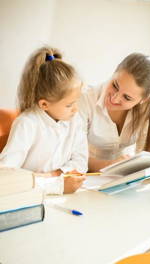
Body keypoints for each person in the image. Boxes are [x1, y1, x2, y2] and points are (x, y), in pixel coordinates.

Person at [0, 46, 88, 194]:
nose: (76, 109)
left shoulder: (75, 120)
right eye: (69, 105)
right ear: (44, 105)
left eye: (76, 101)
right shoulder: (27, 124)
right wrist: (56, 184)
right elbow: (6, 177)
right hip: (28, 197)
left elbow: (81, 162)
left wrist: (54, 175)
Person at [79, 52, 150, 172]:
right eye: (115, 85)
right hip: (88, 176)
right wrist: (113, 165)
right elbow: (74, 156)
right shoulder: (85, 99)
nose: (114, 98)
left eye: (127, 97)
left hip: (125, 175)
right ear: (114, 72)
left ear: (143, 100)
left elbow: (144, 154)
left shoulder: (147, 109)